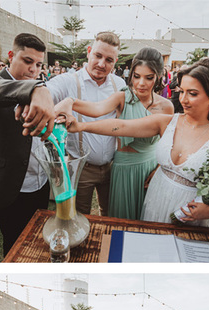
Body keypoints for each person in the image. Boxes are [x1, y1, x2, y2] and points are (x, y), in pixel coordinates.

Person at [59, 58, 209, 228]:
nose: (183, 99)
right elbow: (121, 126)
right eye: (182, 91)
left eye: (192, 93)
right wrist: (81, 126)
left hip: (192, 216)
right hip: (157, 201)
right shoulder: (167, 122)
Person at [52, 47, 172, 220]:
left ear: (159, 76)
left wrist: (159, 170)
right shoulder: (123, 97)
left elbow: (168, 146)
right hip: (123, 169)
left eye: (149, 77)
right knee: (120, 221)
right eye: (136, 76)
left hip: (150, 170)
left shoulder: (167, 106)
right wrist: (70, 101)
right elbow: (97, 108)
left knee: (147, 220)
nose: (141, 83)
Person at [0, 34, 61, 255]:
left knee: (37, 240)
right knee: (14, 245)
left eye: (38, 64)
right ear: (11, 56)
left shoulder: (40, 88)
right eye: (28, 61)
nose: (33, 70)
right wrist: (32, 88)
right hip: (11, 186)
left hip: (40, 182)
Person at [46, 32, 127, 217]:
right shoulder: (69, 81)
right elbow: (47, 90)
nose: (101, 64)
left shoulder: (120, 84)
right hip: (81, 168)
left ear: (115, 61)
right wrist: (38, 94)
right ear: (89, 52)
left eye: (109, 60)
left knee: (110, 214)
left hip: (112, 167)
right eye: (98, 56)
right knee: (80, 215)